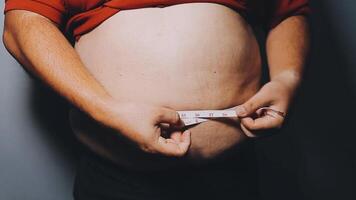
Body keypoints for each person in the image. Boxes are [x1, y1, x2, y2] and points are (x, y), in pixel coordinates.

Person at [3, 0, 310, 199]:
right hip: (116, 177)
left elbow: (289, 11)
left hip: (229, 176)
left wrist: (287, 78)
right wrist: (110, 112)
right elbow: (23, 24)